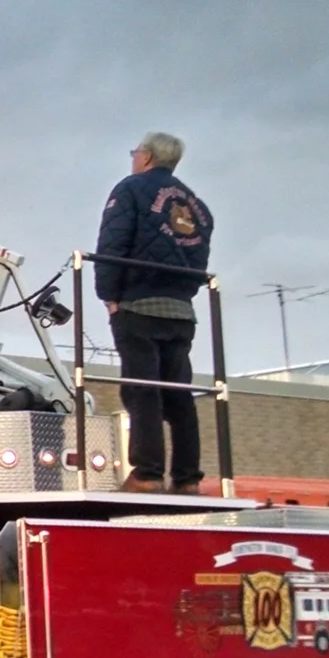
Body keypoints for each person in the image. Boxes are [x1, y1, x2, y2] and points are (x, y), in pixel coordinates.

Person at [96, 131, 214, 493]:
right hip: (181, 311)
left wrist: (109, 296)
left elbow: (112, 244)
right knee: (179, 393)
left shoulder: (130, 190)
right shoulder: (197, 205)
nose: (134, 158)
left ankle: (147, 474)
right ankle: (187, 478)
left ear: (146, 157)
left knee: (142, 390)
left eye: (136, 152)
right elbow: (199, 256)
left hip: (138, 305)